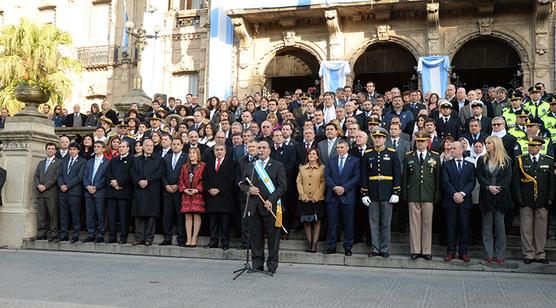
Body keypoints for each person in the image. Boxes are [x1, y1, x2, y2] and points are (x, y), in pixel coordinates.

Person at [239, 140, 287, 274]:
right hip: (254, 207)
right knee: (255, 237)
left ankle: (271, 266)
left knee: (272, 239)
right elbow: (242, 184)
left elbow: (282, 187)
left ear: (269, 150)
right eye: (259, 147)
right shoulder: (251, 166)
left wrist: (271, 200)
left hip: (270, 207)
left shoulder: (278, 165)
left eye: (264, 148)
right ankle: (257, 265)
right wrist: (249, 190)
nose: (261, 150)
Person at [361, 128, 401, 258]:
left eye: (380, 137)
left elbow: (396, 174)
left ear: (385, 139)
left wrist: (396, 191)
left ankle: (384, 248)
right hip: (372, 193)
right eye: (375, 137)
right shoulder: (367, 154)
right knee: (373, 223)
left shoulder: (392, 153)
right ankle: (375, 248)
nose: (377, 139)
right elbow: (364, 175)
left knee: (385, 223)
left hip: (387, 193)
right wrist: (364, 193)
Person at [513, 136, 554, 264]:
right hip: (526, 199)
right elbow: (516, 181)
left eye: (533, 146)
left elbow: (551, 182)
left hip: (542, 199)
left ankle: (540, 253)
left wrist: (550, 198)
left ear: (540, 147)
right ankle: (528, 254)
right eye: (529, 145)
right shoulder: (521, 160)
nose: (530, 148)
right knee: (526, 228)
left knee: (541, 228)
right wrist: (519, 197)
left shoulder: (548, 160)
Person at [402, 132, 441, 260]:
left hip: (428, 194)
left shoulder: (435, 157)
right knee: (414, 224)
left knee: (427, 223)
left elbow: (437, 178)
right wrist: (405, 194)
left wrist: (436, 194)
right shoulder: (409, 157)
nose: (420, 143)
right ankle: (415, 250)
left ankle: (426, 250)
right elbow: (405, 178)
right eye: (418, 141)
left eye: (422, 141)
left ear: (427, 142)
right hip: (413, 193)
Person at [475, 136, 513, 264]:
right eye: (486, 143)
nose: (487, 145)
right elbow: (479, 176)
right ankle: (488, 254)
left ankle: (500, 254)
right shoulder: (481, 159)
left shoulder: (506, 161)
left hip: (501, 197)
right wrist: (488, 186)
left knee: (500, 227)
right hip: (486, 196)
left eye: (489, 143)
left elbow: (508, 178)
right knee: (486, 227)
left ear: (496, 144)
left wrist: (499, 187)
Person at [322, 139, 360, 256]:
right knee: (332, 223)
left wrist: (343, 187)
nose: (339, 150)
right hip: (333, 196)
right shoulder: (331, 160)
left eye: (342, 147)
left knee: (349, 223)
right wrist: (335, 187)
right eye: (338, 148)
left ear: (347, 148)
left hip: (348, 196)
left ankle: (348, 246)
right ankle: (331, 246)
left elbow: (356, 177)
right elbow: (327, 176)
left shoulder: (355, 161)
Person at [441, 141, 476, 262]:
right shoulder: (446, 164)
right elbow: (445, 181)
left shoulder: (470, 165)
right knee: (450, 227)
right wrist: (454, 193)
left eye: (454, 148)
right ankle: (451, 251)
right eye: (451, 148)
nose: (452, 150)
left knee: (464, 227)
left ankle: (463, 252)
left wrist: (462, 194)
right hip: (450, 201)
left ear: (461, 150)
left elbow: (472, 182)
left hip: (464, 201)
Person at [130, 139, 164, 246]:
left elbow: (159, 173)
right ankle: (139, 237)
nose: (149, 147)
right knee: (139, 215)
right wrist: (139, 181)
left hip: (152, 190)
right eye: (147, 145)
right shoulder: (136, 159)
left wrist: (148, 181)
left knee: (151, 215)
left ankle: (149, 238)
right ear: (143, 147)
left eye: (151, 145)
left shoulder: (158, 159)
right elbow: (132, 172)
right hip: (139, 189)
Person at [203, 144, 236, 250]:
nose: (219, 151)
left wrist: (219, 189)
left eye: (221, 150)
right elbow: (205, 178)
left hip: (224, 197)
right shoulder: (208, 163)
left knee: (224, 222)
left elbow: (231, 179)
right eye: (217, 150)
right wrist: (209, 189)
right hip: (211, 196)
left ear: (225, 151)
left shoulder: (231, 163)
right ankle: (213, 242)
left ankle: (225, 243)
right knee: (213, 221)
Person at [105, 140, 135, 244]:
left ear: (128, 148)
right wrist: (113, 182)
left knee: (123, 217)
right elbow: (107, 172)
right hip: (112, 192)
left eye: (123, 146)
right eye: (120, 146)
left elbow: (131, 174)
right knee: (112, 216)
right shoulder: (114, 159)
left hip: (124, 192)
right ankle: (112, 237)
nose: (121, 148)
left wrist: (119, 182)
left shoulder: (132, 160)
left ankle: (123, 237)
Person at [160, 138, 188, 247]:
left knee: (180, 215)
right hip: (167, 191)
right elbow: (162, 173)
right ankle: (167, 237)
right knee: (167, 215)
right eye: (174, 144)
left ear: (182, 146)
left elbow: (187, 173)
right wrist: (166, 185)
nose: (175, 146)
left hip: (180, 191)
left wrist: (178, 185)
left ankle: (181, 238)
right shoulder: (166, 158)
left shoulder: (186, 157)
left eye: (178, 144)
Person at [296, 149, 326, 253]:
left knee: (317, 221)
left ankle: (314, 244)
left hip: (317, 199)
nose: (311, 155)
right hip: (305, 199)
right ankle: (309, 243)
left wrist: (316, 196)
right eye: (309, 153)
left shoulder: (322, 168)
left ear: (317, 156)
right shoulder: (302, 168)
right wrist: (303, 196)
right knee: (306, 221)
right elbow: (298, 181)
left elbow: (323, 182)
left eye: (314, 154)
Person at [57, 142, 87, 243]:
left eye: (74, 149)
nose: (72, 151)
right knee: (63, 214)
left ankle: (75, 235)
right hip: (63, 192)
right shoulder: (63, 161)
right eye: (70, 149)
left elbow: (79, 177)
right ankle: (63, 234)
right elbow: (59, 175)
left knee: (75, 214)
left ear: (78, 150)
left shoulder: (82, 161)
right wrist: (61, 185)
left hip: (75, 192)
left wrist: (67, 185)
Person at [82, 141, 109, 243]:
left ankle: (100, 234)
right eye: (95, 146)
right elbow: (84, 176)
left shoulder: (107, 162)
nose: (96, 148)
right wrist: (88, 186)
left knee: (100, 214)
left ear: (103, 149)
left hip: (100, 192)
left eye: (98, 147)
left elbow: (105, 177)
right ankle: (91, 234)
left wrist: (96, 187)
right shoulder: (89, 162)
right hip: (88, 192)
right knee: (89, 215)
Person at [33, 143, 61, 241]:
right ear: (46, 150)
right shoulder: (41, 163)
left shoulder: (59, 162)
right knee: (41, 214)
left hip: (51, 192)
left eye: (52, 149)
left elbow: (56, 177)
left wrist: (46, 186)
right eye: (48, 149)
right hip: (40, 192)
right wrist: (38, 185)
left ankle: (53, 233)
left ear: (55, 151)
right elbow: (36, 176)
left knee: (52, 214)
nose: (50, 150)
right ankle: (41, 233)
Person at [179, 147, 206, 247]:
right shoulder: (185, 166)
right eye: (190, 153)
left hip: (197, 194)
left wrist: (197, 189)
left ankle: (194, 238)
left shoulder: (202, 166)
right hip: (186, 194)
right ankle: (188, 238)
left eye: (194, 153)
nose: (191, 154)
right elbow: (180, 179)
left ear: (198, 154)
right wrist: (184, 189)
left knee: (196, 215)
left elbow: (204, 180)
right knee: (188, 216)